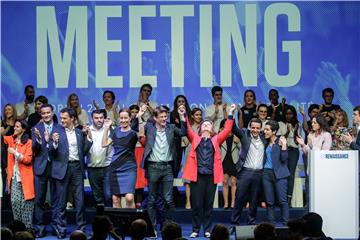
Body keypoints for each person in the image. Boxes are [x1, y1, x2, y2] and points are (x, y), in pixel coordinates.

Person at [183, 104, 235, 238]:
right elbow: (187, 128)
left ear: (212, 128)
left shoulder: (216, 140)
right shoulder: (195, 138)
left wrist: (230, 113)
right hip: (197, 176)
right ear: (200, 129)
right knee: (197, 205)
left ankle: (207, 229)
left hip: (210, 176)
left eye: (209, 124)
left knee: (208, 204)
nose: (206, 125)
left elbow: (228, 128)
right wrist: (183, 115)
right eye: (204, 124)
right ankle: (195, 229)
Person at [139, 105, 187, 235]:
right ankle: (152, 227)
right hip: (153, 167)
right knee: (152, 199)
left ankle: (168, 227)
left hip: (167, 168)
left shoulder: (171, 128)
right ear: (155, 118)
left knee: (168, 199)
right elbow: (135, 129)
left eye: (166, 116)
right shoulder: (149, 127)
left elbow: (183, 132)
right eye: (161, 117)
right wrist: (139, 115)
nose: (164, 119)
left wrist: (182, 116)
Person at [49, 108, 92, 238]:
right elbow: (51, 152)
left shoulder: (79, 133)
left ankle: (81, 228)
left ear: (72, 118)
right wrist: (54, 143)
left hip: (77, 168)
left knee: (80, 200)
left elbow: (83, 151)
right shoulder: (56, 132)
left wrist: (89, 139)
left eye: (65, 118)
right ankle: (61, 229)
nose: (62, 120)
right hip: (62, 169)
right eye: (61, 118)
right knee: (61, 201)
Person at [230, 118, 267, 227]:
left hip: (258, 173)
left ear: (261, 129)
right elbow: (233, 128)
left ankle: (251, 223)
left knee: (254, 200)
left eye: (257, 128)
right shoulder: (244, 135)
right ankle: (234, 223)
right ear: (249, 127)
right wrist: (231, 114)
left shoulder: (264, 138)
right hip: (245, 172)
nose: (255, 130)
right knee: (240, 198)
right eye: (253, 127)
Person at [102, 108, 141, 208]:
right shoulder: (115, 131)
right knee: (115, 199)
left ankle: (131, 223)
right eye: (121, 118)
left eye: (126, 118)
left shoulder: (133, 132)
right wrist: (106, 127)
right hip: (115, 168)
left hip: (129, 168)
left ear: (130, 119)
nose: (123, 120)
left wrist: (139, 117)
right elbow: (103, 144)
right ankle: (118, 223)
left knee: (129, 198)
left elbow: (140, 133)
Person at [31, 104, 59, 237]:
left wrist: (52, 142)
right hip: (40, 167)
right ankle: (40, 227)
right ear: (40, 115)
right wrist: (38, 140)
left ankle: (55, 226)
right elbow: (34, 150)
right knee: (39, 200)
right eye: (43, 113)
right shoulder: (36, 128)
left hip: (55, 166)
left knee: (55, 199)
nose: (46, 115)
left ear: (52, 113)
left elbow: (61, 148)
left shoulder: (59, 128)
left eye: (48, 112)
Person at [3, 120, 34, 229]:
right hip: (14, 177)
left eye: (17, 127)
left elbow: (28, 159)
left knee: (26, 204)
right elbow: (2, 136)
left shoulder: (29, 142)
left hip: (25, 178)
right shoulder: (11, 140)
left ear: (23, 129)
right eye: (14, 126)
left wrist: (15, 153)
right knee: (15, 203)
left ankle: (28, 229)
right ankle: (18, 229)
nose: (15, 128)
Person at [263, 120, 290, 225]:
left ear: (274, 131)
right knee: (269, 202)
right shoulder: (265, 142)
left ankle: (286, 224)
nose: (264, 131)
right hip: (266, 173)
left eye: (267, 130)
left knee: (282, 201)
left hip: (280, 174)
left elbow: (284, 159)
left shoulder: (281, 141)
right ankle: (271, 225)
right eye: (264, 129)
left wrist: (284, 146)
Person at [87, 109, 112, 206]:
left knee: (108, 195)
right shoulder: (87, 130)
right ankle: (101, 219)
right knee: (97, 197)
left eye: (101, 118)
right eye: (96, 118)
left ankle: (110, 219)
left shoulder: (110, 130)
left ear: (104, 118)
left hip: (107, 167)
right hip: (92, 168)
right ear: (92, 119)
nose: (99, 120)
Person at [277, 105, 300, 204]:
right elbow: (280, 140)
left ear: (294, 115)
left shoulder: (296, 124)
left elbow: (297, 142)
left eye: (290, 114)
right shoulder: (280, 124)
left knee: (290, 175)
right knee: (282, 175)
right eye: (287, 113)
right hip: (283, 150)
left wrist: (295, 131)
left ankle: (288, 199)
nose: (288, 116)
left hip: (294, 151)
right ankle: (281, 198)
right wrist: (287, 131)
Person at [182, 107, 203, 209]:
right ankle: (188, 201)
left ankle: (197, 202)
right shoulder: (188, 127)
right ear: (192, 116)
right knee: (188, 179)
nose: (199, 117)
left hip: (201, 154)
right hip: (190, 152)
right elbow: (185, 141)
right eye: (197, 115)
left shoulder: (204, 127)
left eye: (200, 115)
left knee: (199, 179)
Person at [219, 119, 240, 209]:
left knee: (234, 182)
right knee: (225, 182)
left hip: (234, 161)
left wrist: (237, 142)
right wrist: (220, 135)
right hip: (224, 161)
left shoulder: (237, 136)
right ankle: (226, 203)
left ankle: (233, 202)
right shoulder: (220, 136)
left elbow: (242, 149)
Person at [130, 104, 147, 208]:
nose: (135, 114)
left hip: (140, 152)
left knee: (139, 179)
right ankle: (130, 203)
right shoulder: (126, 123)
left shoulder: (144, 124)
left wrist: (139, 119)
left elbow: (144, 139)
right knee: (131, 179)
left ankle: (139, 203)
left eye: (137, 112)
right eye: (133, 112)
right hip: (130, 153)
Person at [1, 104, 17, 197]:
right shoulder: (2, 122)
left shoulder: (17, 122)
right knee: (4, 176)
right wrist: (9, 126)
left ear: (13, 110)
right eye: (6, 110)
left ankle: (13, 198)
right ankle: (4, 199)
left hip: (15, 151)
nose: (7, 111)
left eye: (9, 109)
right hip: (4, 152)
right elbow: (2, 134)